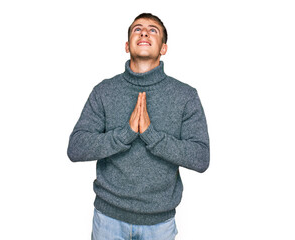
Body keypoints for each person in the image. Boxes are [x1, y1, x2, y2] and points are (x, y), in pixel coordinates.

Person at [67, 13, 210, 240]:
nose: (144, 32)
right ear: (127, 45)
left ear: (164, 48)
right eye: (137, 29)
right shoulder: (104, 91)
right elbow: (76, 148)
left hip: (159, 224)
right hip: (108, 220)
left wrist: (152, 136)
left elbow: (201, 158)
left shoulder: (185, 96)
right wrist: (126, 133)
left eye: (153, 30)